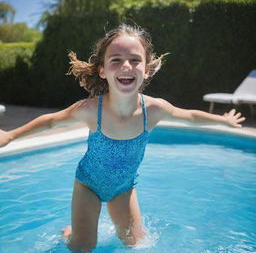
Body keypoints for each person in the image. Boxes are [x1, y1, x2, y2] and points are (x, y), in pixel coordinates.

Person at [0, 24, 245, 252]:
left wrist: (222, 120)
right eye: (116, 60)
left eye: (135, 60)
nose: (126, 66)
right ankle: (70, 232)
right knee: (82, 247)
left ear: (147, 69)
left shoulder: (154, 110)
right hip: (88, 186)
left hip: (124, 187)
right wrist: (11, 135)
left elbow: (189, 116)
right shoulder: (90, 109)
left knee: (138, 244)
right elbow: (52, 120)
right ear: (103, 70)